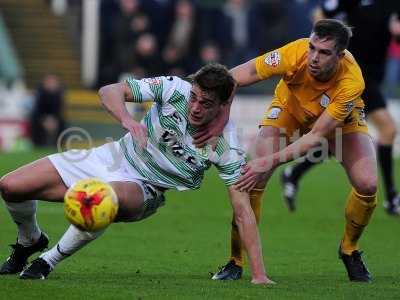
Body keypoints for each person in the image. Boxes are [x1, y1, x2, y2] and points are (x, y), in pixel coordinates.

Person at [0, 63, 272, 284]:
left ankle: (48, 260)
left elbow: (243, 210)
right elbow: (110, 91)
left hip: (145, 188)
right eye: (194, 97)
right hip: (111, 157)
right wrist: (127, 120)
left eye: (207, 103)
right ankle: (30, 240)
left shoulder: (226, 145)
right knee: (10, 186)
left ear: (223, 105)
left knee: (102, 198)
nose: (196, 107)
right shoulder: (174, 89)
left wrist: (258, 274)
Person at [210, 19, 377, 283]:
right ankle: (235, 261)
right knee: (250, 179)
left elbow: (316, 137)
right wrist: (217, 105)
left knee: (368, 184)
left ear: (340, 55)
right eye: (312, 48)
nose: (313, 57)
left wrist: (270, 162)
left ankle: (349, 249)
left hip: (337, 122)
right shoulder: (294, 52)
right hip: (289, 109)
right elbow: (239, 76)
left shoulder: (351, 81)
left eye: (323, 53)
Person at [281, 1, 400, 215]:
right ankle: (392, 198)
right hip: (351, 75)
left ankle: (294, 174)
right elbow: (320, 14)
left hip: (374, 74)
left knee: (338, 138)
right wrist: (325, 52)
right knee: (388, 129)